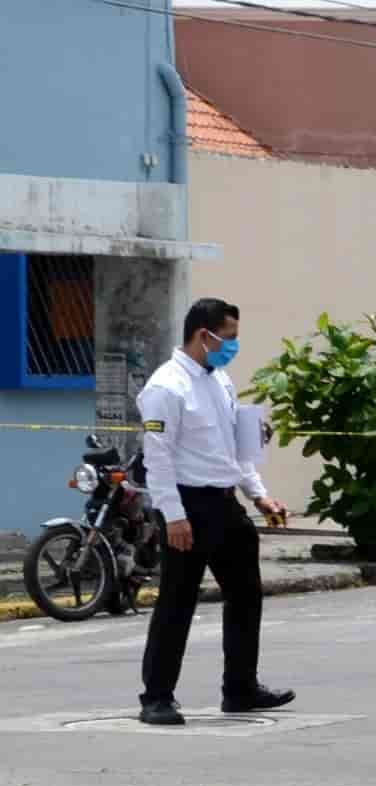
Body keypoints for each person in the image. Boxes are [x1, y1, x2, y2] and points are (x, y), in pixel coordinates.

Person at [135, 297, 296, 728]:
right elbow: (158, 458)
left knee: (246, 595)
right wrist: (172, 515)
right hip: (187, 505)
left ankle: (240, 689)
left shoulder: (220, 380)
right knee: (177, 601)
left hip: (225, 502)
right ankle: (157, 697)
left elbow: (237, 450)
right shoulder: (166, 387)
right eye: (228, 338)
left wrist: (259, 494)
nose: (232, 346)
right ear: (203, 334)